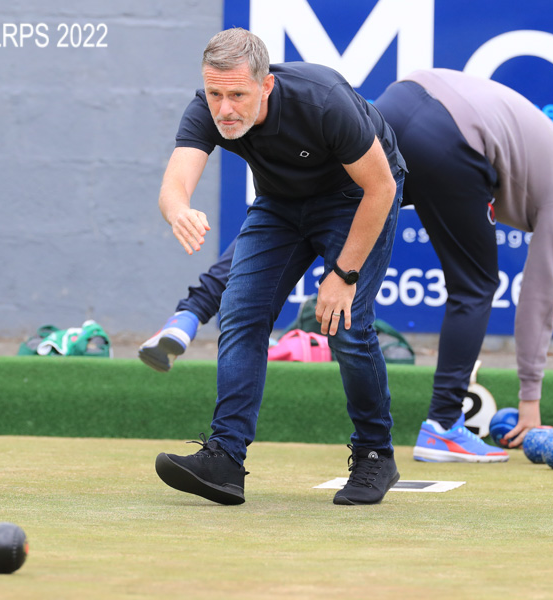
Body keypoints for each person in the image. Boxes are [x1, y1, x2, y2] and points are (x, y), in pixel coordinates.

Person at [142, 67, 553, 463]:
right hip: (453, 139)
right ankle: (443, 426)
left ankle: (191, 312)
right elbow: (541, 296)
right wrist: (529, 403)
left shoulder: (548, 152)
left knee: (310, 210)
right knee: (477, 284)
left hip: (403, 101)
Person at [150, 28, 407, 506]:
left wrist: (344, 276)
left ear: (265, 86)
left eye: (237, 95)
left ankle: (376, 454)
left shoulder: (323, 101)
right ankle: (225, 459)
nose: (224, 108)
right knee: (241, 312)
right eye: (215, 94)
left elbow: (383, 188)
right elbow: (173, 184)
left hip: (356, 197)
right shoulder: (207, 108)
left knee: (346, 325)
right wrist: (179, 210)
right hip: (280, 204)